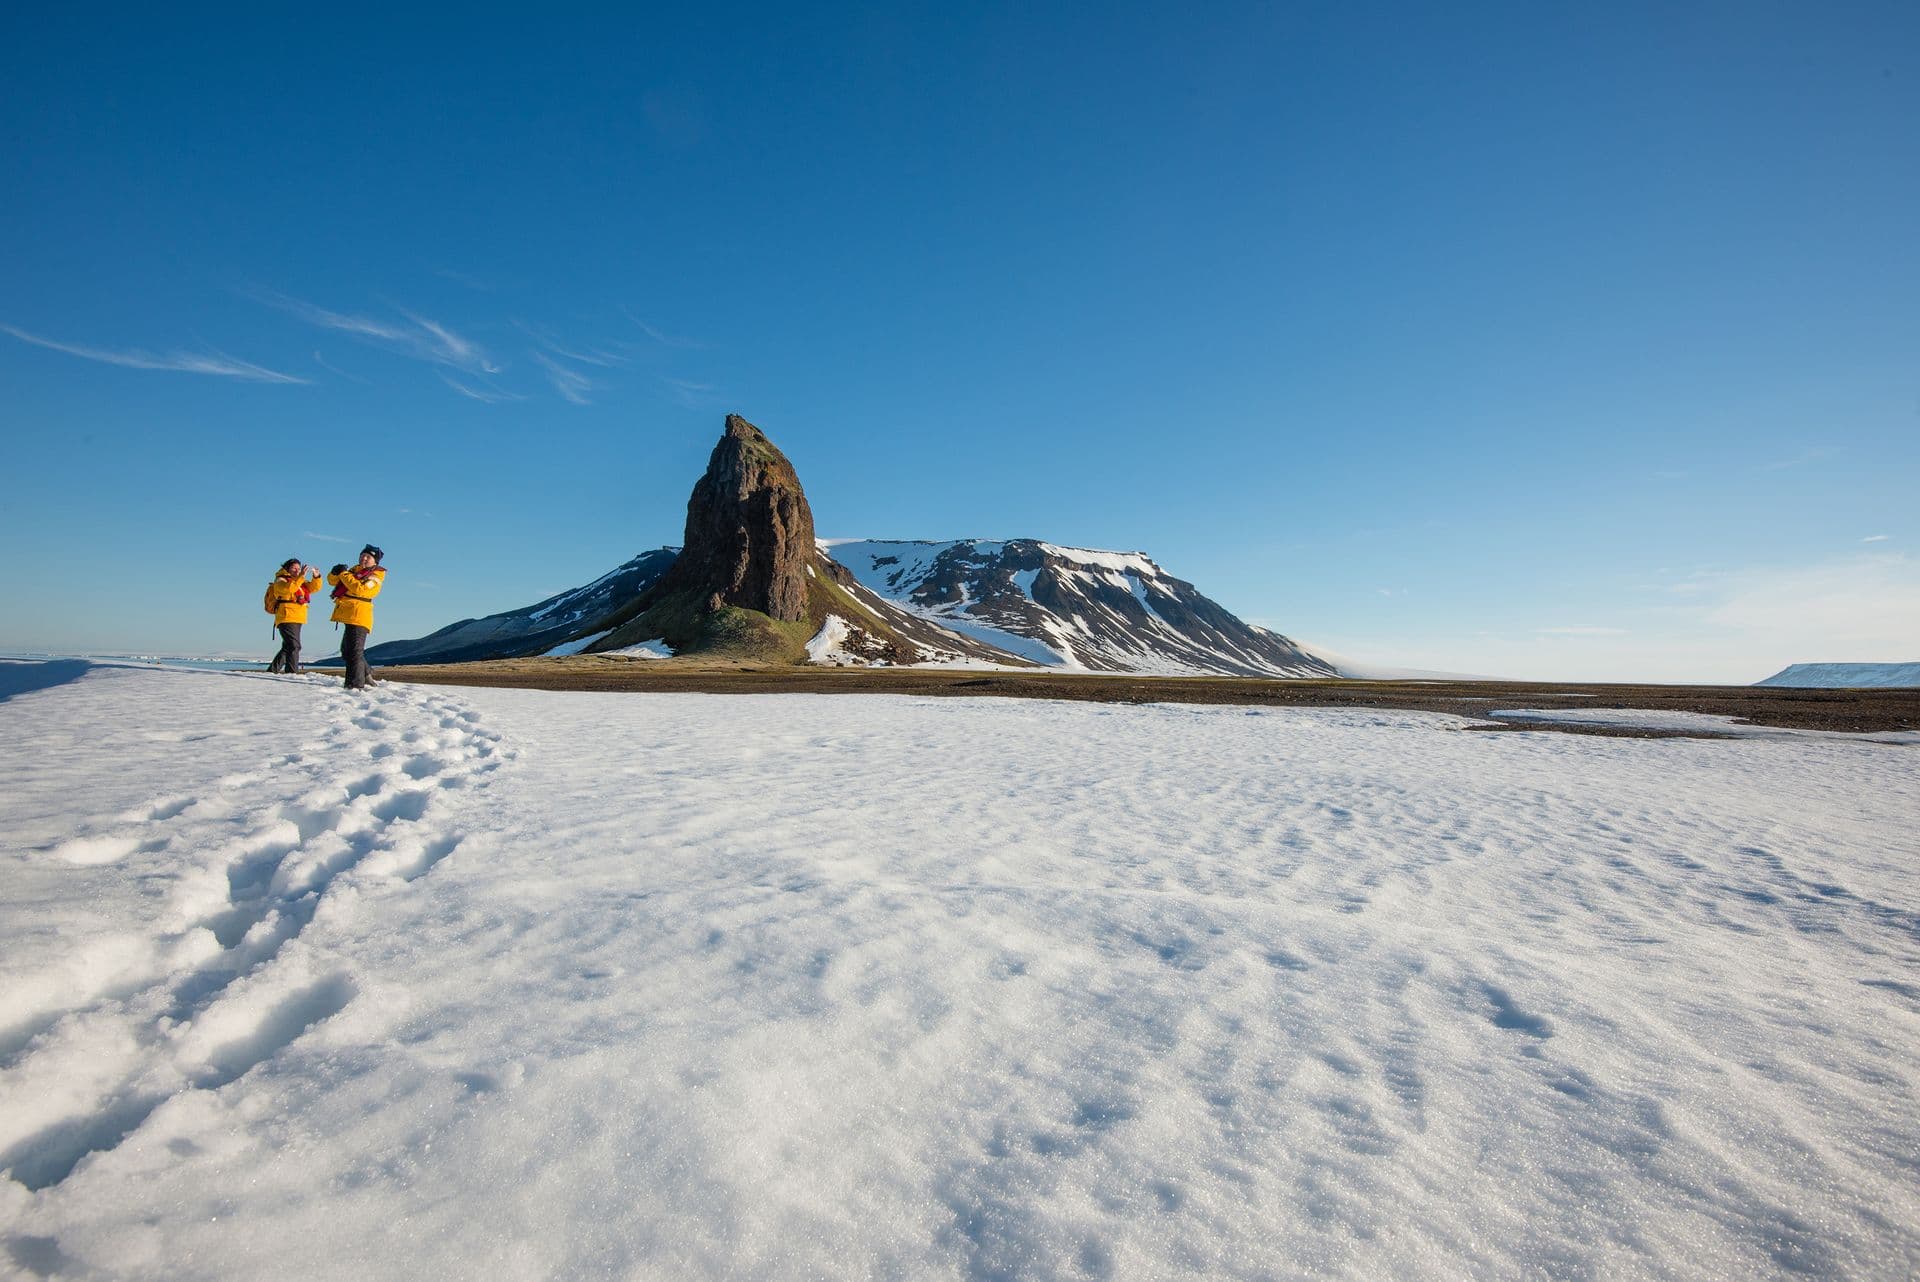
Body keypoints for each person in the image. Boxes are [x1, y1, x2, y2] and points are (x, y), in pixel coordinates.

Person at [328, 545, 387, 690]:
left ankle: (354, 685)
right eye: (362, 555)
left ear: (375, 561)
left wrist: (344, 574)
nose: (364, 558)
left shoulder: (376, 576)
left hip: (359, 615)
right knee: (346, 650)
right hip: (349, 614)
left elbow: (360, 589)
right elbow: (333, 581)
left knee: (354, 651)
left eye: (368, 557)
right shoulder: (354, 571)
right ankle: (366, 674)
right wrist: (335, 572)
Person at [264, 559, 324, 674]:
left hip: (298, 616)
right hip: (286, 615)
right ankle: (291, 673)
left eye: (299, 568)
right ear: (287, 569)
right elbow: (289, 589)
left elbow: (313, 588)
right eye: (294, 568)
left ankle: (272, 671)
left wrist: (316, 577)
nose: (297, 571)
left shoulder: (300, 581)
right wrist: (301, 576)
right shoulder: (281, 580)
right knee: (294, 646)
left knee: (288, 646)